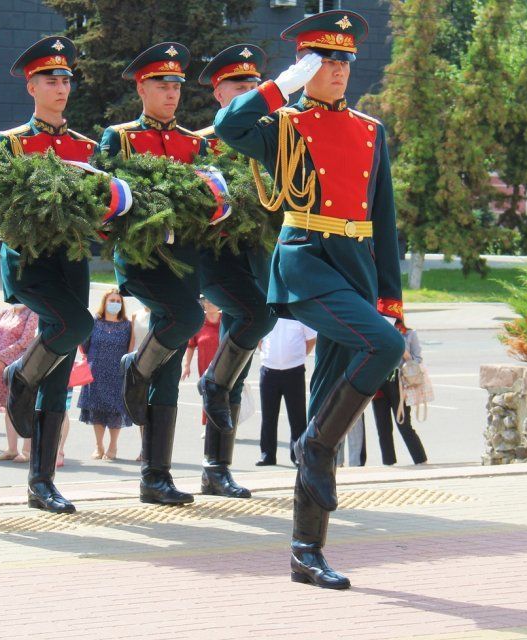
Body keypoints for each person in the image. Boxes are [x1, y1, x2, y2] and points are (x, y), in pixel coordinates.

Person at [215, 10, 406, 589]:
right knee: (383, 348)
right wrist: (280, 87)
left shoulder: (371, 130)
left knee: (328, 392)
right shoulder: (286, 123)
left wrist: (391, 298)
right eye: (326, 60)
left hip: (357, 266)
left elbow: (386, 222)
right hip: (306, 259)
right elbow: (228, 126)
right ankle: (316, 445)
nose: (340, 70)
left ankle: (306, 551)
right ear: (305, 65)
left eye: (345, 60)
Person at [0, 36, 105, 513]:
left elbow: (100, 208)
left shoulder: (85, 147)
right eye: (50, 80)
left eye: (65, 80)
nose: (60, 87)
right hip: (29, 263)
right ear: (31, 87)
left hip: (71, 261)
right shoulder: (10, 143)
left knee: (57, 373)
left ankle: (43, 482)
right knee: (74, 326)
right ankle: (19, 376)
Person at [101, 42, 207, 505]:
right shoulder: (119, 138)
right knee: (186, 321)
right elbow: (106, 199)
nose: (171, 92)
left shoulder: (193, 142)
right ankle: (133, 367)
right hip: (143, 258)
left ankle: (155, 476)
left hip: (183, 258)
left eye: (176, 85)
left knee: (168, 365)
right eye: (161, 84)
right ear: (141, 87)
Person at [194, 44, 278, 499]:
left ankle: (216, 468)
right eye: (239, 86)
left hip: (257, 262)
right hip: (217, 261)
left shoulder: (273, 139)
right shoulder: (203, 142)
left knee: (237, 372)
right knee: (248, 331)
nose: (248, 92)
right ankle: (161, 470)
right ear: (219, 94)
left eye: (253, 85)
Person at [78, 289, 134, 461]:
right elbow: (84, 345)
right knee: (97, 410)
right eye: (112, 300)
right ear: (104, 302)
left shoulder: (126, 325)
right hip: (96, 371)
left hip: (117, 372)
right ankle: (99, 445)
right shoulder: (94, 322)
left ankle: (113, 446)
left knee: (115, 410)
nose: (115, 303)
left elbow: (130, 348)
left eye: (118, 301)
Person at [256, 318, 316, 466]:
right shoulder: (267, 314)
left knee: (297, 416)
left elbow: (311, 339)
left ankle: (297, 455)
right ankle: (267, 455)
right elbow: (258, 338)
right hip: (269, 370)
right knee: (268, 416)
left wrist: (298, 356)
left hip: (294, 370)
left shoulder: (298, 314)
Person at [372, 316, 428, 465]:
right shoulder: (376, 333)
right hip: (379, 380)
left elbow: (417, 360)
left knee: (403, 424)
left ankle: (420, 459)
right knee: (382, 426)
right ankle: (389, 462)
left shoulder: (409, 334)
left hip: (400, 381)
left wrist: (405, 354)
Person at [0, 304, 38, 463]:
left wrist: (2, 357)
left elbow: (26, 340)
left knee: (24, 406)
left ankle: (27, 450)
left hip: (19, 367)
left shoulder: (32, 313)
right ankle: (11, 448)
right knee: (8, 407)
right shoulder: (4, 312)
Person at [181, 297, 222, 430]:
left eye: (213, 301)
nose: (210, 304)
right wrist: (186, 365)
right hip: (205, 367)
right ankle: (208, 426)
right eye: (207, 301)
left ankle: (224, 426)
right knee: (208, 395)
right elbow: (191, 345)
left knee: (224, 396)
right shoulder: (199, 322)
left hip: (224, 366)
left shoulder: (226, 320)